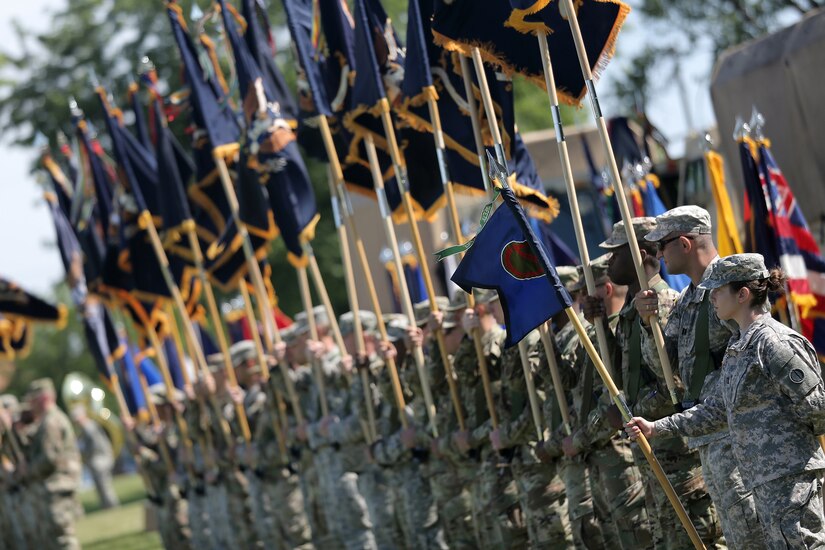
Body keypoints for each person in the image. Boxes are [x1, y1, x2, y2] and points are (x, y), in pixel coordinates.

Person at [626, 254, 825, 549]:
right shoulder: (738, 346)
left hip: (792, 482)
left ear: (742, 294)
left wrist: (787, 446)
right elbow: (718, 410)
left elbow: (818, 409)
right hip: (761, 482)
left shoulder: (774, 343)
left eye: (718, 290)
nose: (712, 297)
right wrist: (657, 427)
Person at [585, 218, 724, 548]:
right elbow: (620, 376)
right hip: (653, 456)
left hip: (678, 456)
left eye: (616, 254)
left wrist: (633, 411)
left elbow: (675, 382)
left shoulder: (662, 305)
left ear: (642, 253)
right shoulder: (633, 313)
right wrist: (601, 324)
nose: (609, 263)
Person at [636, 206, 764, 549]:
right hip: (708, 436)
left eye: (662, 245)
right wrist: (649, 326)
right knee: (735, 538)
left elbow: (756, 354)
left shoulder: (730, 286)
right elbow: (666, 365)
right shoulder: (690, 296)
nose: (658, 254)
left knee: (755, 536)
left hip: (738, 435)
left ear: (685, 243)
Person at [25, 378, 82, 550]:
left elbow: (49, 459)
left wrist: (26, 471)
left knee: (64, 541)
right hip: (55, 488)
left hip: (58, 488)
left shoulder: (51, 422)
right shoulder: (49, 420)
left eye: (32, 401)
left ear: (43, 399)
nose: (30, 406)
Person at [70, 405, 119, 509]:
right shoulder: (86, 428)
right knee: (100, 486)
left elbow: (94, 446)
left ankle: (111, 505)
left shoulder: (89, 427)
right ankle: (107, 506)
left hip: (100, 459)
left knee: (104, 485)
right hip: (97, 459)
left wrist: (82, 451)